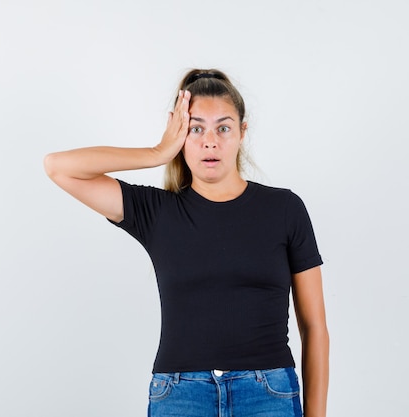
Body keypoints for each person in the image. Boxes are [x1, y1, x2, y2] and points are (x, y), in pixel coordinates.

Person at [43, 69, 329, 417]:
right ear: (180, 134)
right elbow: (58, 167)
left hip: (268, 394)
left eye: (223, 127)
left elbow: (314, 327)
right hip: (180, 396)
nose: (210, 141)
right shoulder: (157, 212)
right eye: (196, 128)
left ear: (242, 132)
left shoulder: (284, 209)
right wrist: (157, 151)